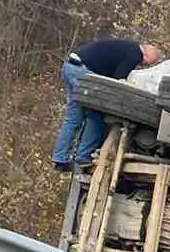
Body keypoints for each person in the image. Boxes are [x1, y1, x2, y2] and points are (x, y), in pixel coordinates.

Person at [53, 37, 160, 172]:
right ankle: (83, 157)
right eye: (148, 63)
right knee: (97, 115)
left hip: (70, 66)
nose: (143, 65)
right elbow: (117, 81)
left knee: (73, 117)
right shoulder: (135, 54)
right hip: (82, 73)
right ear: (147, 55)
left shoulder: (125, 47)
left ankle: (59, 159)